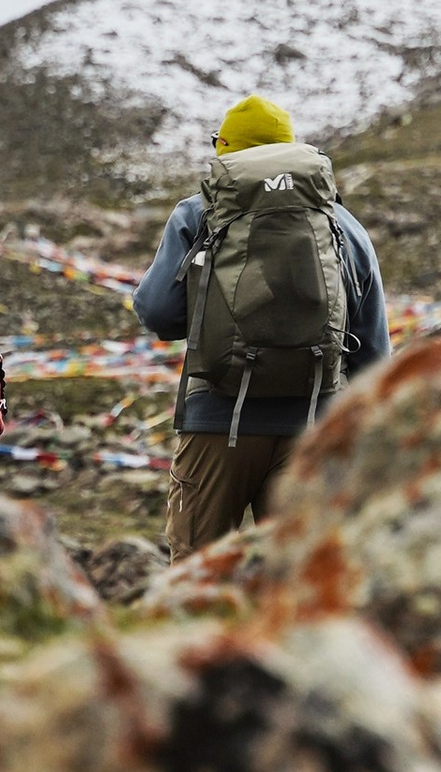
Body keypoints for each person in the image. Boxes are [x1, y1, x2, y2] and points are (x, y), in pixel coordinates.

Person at [131, 92, 390, 558]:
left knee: (199, 569)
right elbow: (372, 348)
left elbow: (158, 313)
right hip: (312, 424)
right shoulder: (340, 222)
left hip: (217, 418)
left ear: (226, 150)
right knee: (297, 576)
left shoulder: (197, 213)